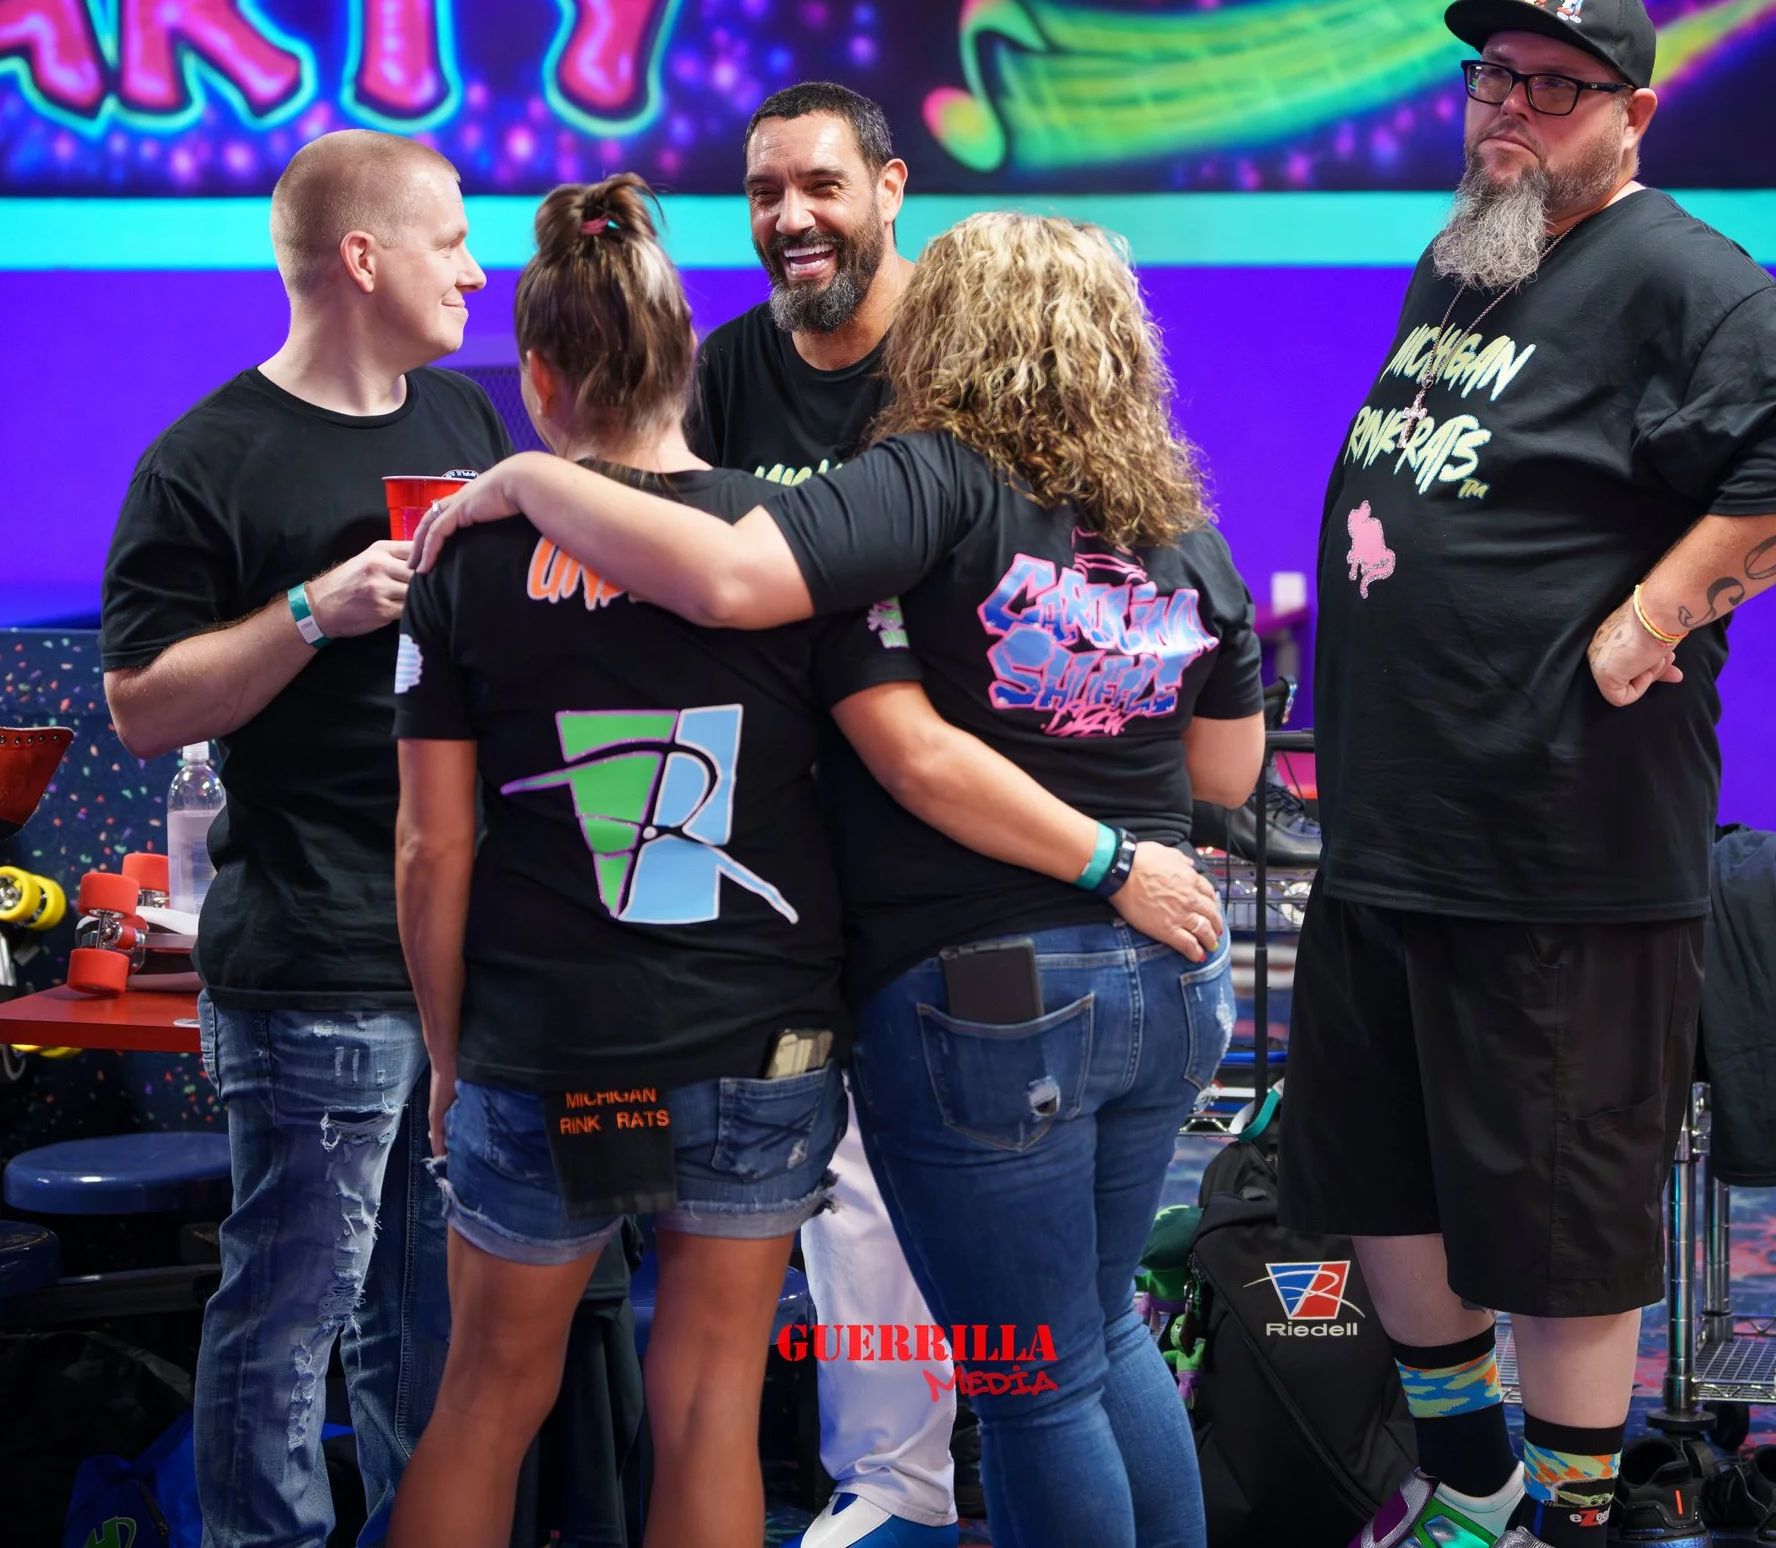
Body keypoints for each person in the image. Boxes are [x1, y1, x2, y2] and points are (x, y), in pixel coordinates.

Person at [417, 207, 1268, 1548]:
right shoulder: (1182, 529)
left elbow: (781, 620)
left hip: (990, 984)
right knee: (1102, 1336)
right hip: (1166, 971)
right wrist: (1112, 814)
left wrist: (527, 481)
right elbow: (1225, 770)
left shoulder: (925, 481)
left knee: (1033, 1383)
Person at [1281, 0, 1776, 1548]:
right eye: (1493, 81)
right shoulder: (1466, 260)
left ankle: (1556, 1518)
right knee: (1384, 1178)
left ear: (1632, 114)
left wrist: (1658, 611)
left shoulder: (1670, 271)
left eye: (1553, 88)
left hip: (1556, 851)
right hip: (1394, 830)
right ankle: (1474, 1482)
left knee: (1559, 1225)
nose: (1510, 111)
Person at [100, 129, 504, 1547]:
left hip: (451, 965)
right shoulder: (203, 461)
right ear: (362, 257)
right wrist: (310, 612)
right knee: (287, 1325)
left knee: (427, 1333)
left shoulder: (469, 428)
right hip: (312, 965)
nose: (476, 264)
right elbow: (143, 708)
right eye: (450, 235)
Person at [687, 79, 958, 1548]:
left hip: (952, 817)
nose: (791, 217)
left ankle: (1024, 1447)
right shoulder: (724, 370)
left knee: (960, 1165)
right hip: (776, 829)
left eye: (822, 186)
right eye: (765, 190)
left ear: (893, 186)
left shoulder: (964, 355)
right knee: (843, 1177)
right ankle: (895, 1486)